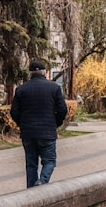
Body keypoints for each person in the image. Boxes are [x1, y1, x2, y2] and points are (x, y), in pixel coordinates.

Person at [10, 59, 68, 188]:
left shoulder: (21, 89)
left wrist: (22, 124)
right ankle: (42, 182)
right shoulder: (54, 88)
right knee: (50, 161)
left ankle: (31, 189)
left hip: (28, 133)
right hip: (48, 131)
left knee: (31, 163)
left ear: (30, 74)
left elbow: (14, 111)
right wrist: (55, 123)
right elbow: (63, 109)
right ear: (45, 73)